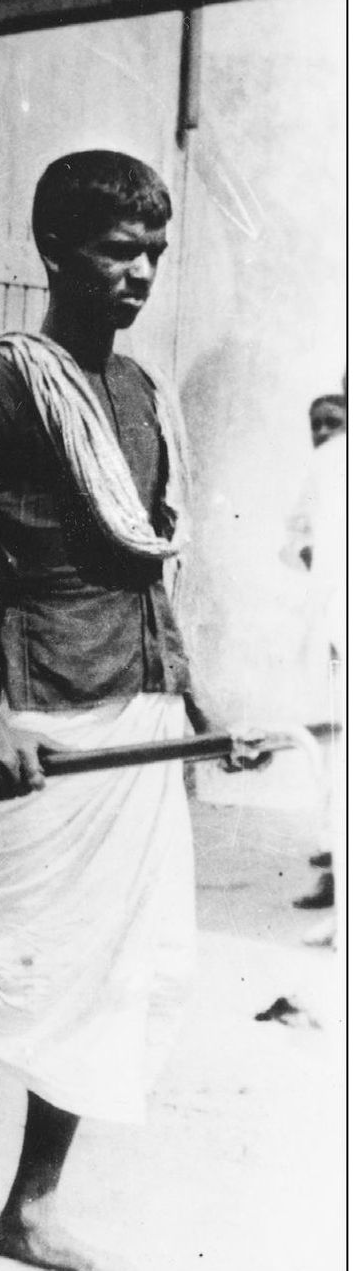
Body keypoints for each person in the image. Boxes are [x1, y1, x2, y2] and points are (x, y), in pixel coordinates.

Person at [0, 149, 259, 1271]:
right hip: (42, 725)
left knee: (117, 980)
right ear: (55, 253)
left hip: (141, 724)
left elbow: (153, 575)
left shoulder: (147, 396)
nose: (141, 271)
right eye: (117, 250)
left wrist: (196, 706)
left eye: (154, 251)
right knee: (8, 985)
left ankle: (31, 1210)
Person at [283, 388, 346, 922]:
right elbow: (297, 535)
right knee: (333, 747)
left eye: (336, 421)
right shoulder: (323, 472)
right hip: (331, 623)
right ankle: (335, 877)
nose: (325, 433)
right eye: (318, 424)